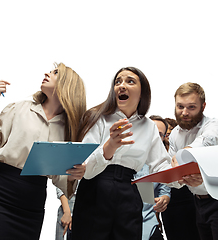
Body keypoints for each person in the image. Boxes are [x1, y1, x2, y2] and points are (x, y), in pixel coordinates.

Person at [71, 67, 194, 240]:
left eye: (130, 81)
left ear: (142, 92)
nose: (121, 85)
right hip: (95, 189)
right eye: (118, 81)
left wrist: (179, 176)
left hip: (129, 192)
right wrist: (110, 146)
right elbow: (86, 167)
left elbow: (160, 164)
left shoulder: (149, 126)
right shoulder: (98, 117)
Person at [0, 62, 87, 240]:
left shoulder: (69, 128)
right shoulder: (20, 108)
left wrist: (74, 174)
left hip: (33, 202)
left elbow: (60, 179)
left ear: (67, 85)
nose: (47, 73)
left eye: (55, 73)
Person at [169, 82, 218, 240]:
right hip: (199, 203)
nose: (184, 112)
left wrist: (185, 153)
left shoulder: (215, 126)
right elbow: (174, 174)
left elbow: (210, 139)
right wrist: (180, 178)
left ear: (203, 106)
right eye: (180, 106)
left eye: (191, 107)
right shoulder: (175, 134)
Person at [160, 117, 200, 240]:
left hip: (187, 196)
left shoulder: (180, 148)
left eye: (170, 129)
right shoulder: (156, 152)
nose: (167, 133)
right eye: (164, 131)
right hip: (168, 201)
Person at [136, 115, 171, 240]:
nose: (155, 137)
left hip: (148, 224)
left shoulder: (163, 165)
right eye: (152, 132)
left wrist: (163, 200)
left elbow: (165, 192)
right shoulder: (124, 155)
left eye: (160, 134)